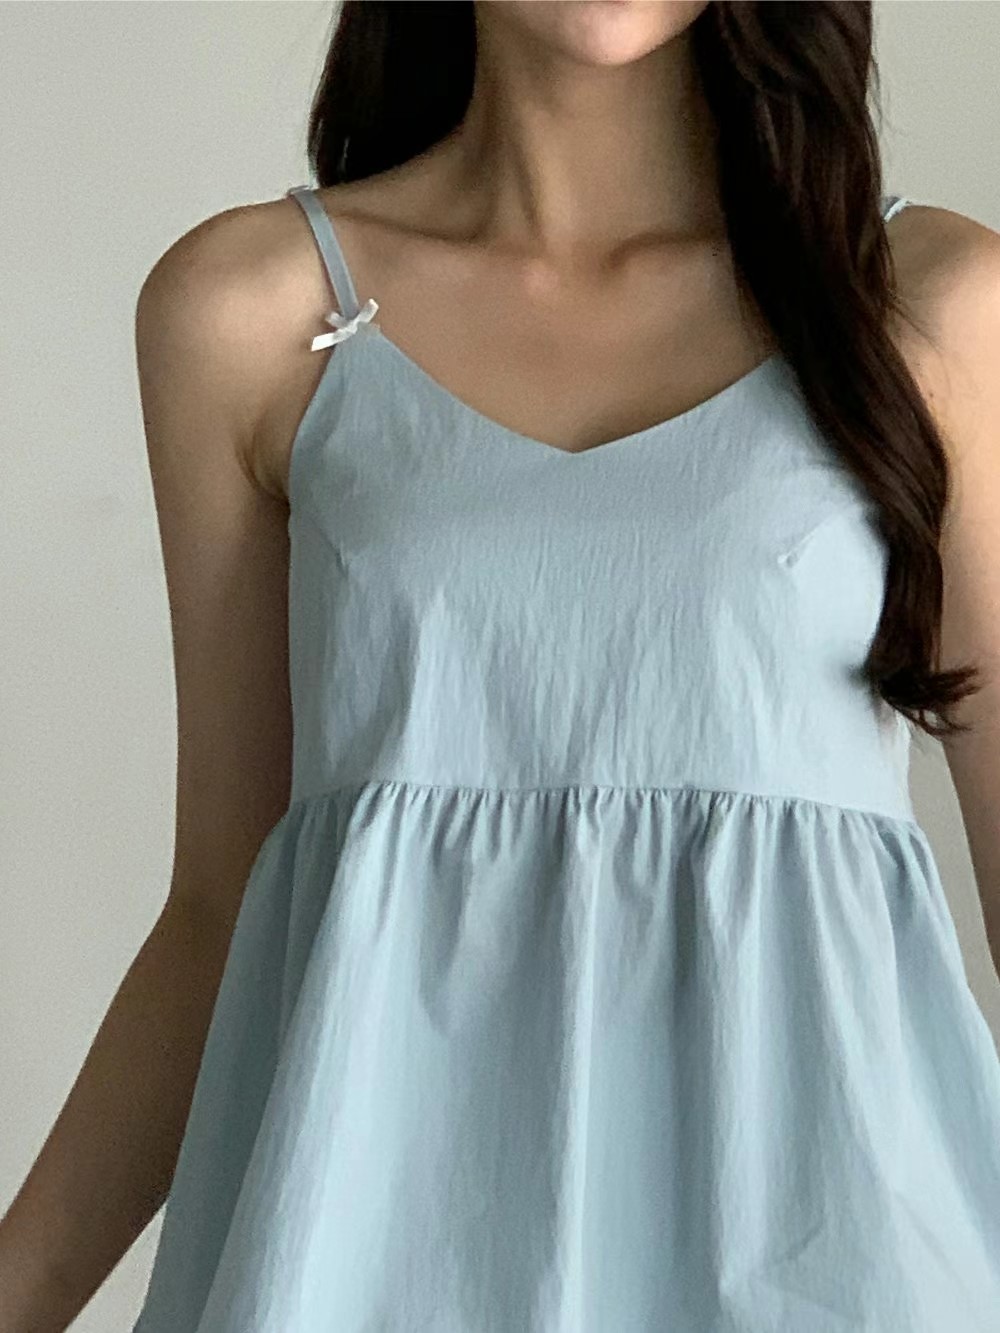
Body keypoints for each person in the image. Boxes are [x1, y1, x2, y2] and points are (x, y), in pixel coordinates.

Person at [4, 1, 1000, 1329]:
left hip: (836, 1263)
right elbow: (220, 910)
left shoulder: (927, 302)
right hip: (368, 1266)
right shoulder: (252, 314)